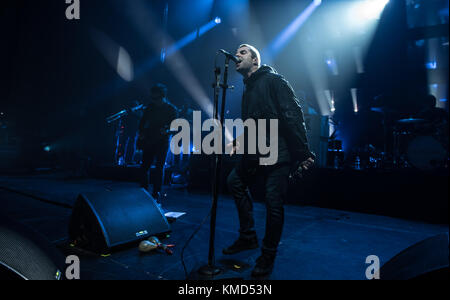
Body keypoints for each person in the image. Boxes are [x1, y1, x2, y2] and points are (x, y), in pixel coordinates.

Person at [223, 44, 315, 277]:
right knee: (235, 182)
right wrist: (238, 142)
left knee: (273, 203)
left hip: (279, 152)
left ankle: (268, 254)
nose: (237, 55)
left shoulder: (274, 81)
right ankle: (248, 237)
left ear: (255, 60)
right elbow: (252, 123)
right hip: (255, 151)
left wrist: (303, 153)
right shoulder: (248, 88)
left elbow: (293, 115)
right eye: (237, 51)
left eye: (243, 52)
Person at [137, 83, 178, 202]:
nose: (153, 100)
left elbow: (175, 126)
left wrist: (166, 130)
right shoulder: (150, 107)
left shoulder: (171, 109)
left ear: (162, 96)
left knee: (159, 168)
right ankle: (143, 191)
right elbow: (142, 122)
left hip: (162, 142)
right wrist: (141, 133)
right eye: (152, 98)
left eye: (156, 98)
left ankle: (156, 193)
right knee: (144, 167)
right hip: (149, 141)